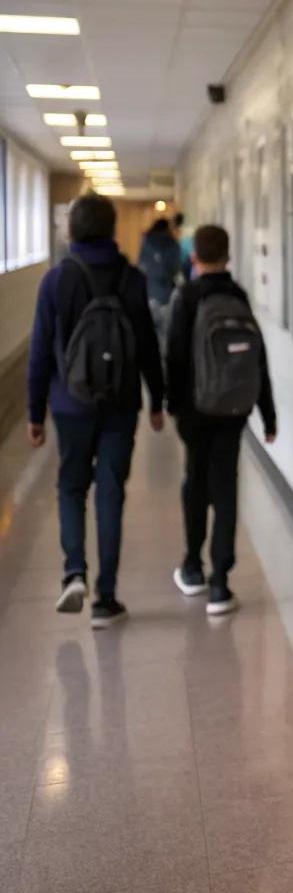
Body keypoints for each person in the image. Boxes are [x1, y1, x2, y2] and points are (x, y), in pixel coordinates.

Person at [27, 192, 165, 626]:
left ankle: (74, 572)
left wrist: (35, 413)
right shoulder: (132, 278)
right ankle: (106, 598)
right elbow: (146, 345)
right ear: (111, 229)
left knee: (71, 487)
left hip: (70, 405)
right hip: (121, 403)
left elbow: (40, 353)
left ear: (72, 230)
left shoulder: (55, 280)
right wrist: (157, 399)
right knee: (110, 493)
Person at [165, 223, 276, 615]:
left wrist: (173, 406)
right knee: (226, 487)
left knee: (196, 482)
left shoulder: (186, 296)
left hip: (196, 410)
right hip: (234, 409)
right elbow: (257, 359)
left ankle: (193, 566)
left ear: (194, 257)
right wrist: (268, 413)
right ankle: (220, 585)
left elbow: (174, 356)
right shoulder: (238, 296)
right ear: (228, 256)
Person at [138, 216, 183, 351]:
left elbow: (141, 267)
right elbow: (175, 269)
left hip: (149, 294)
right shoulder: (171, 244)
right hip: (166, 296)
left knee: (149, 336)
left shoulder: (145, 243)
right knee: (167, 337)